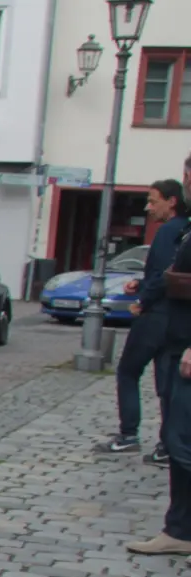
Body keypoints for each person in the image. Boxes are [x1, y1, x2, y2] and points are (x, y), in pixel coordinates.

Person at [97, 179, 189, 463]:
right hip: (174, 317)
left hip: (156, 316)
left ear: (171, 201)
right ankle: (166, 444)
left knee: (128, 371)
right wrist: (141, 282)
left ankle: (128, 436)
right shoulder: (185, 229)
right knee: (166, 383)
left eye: (153, 201)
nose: (149, 208)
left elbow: (164, 273)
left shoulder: (168, 232)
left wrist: (143, 300)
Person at [128, 154, 191, 555]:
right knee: (176, 436)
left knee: (180, 438)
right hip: (176, 340)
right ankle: (179, 529)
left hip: (184, 348)